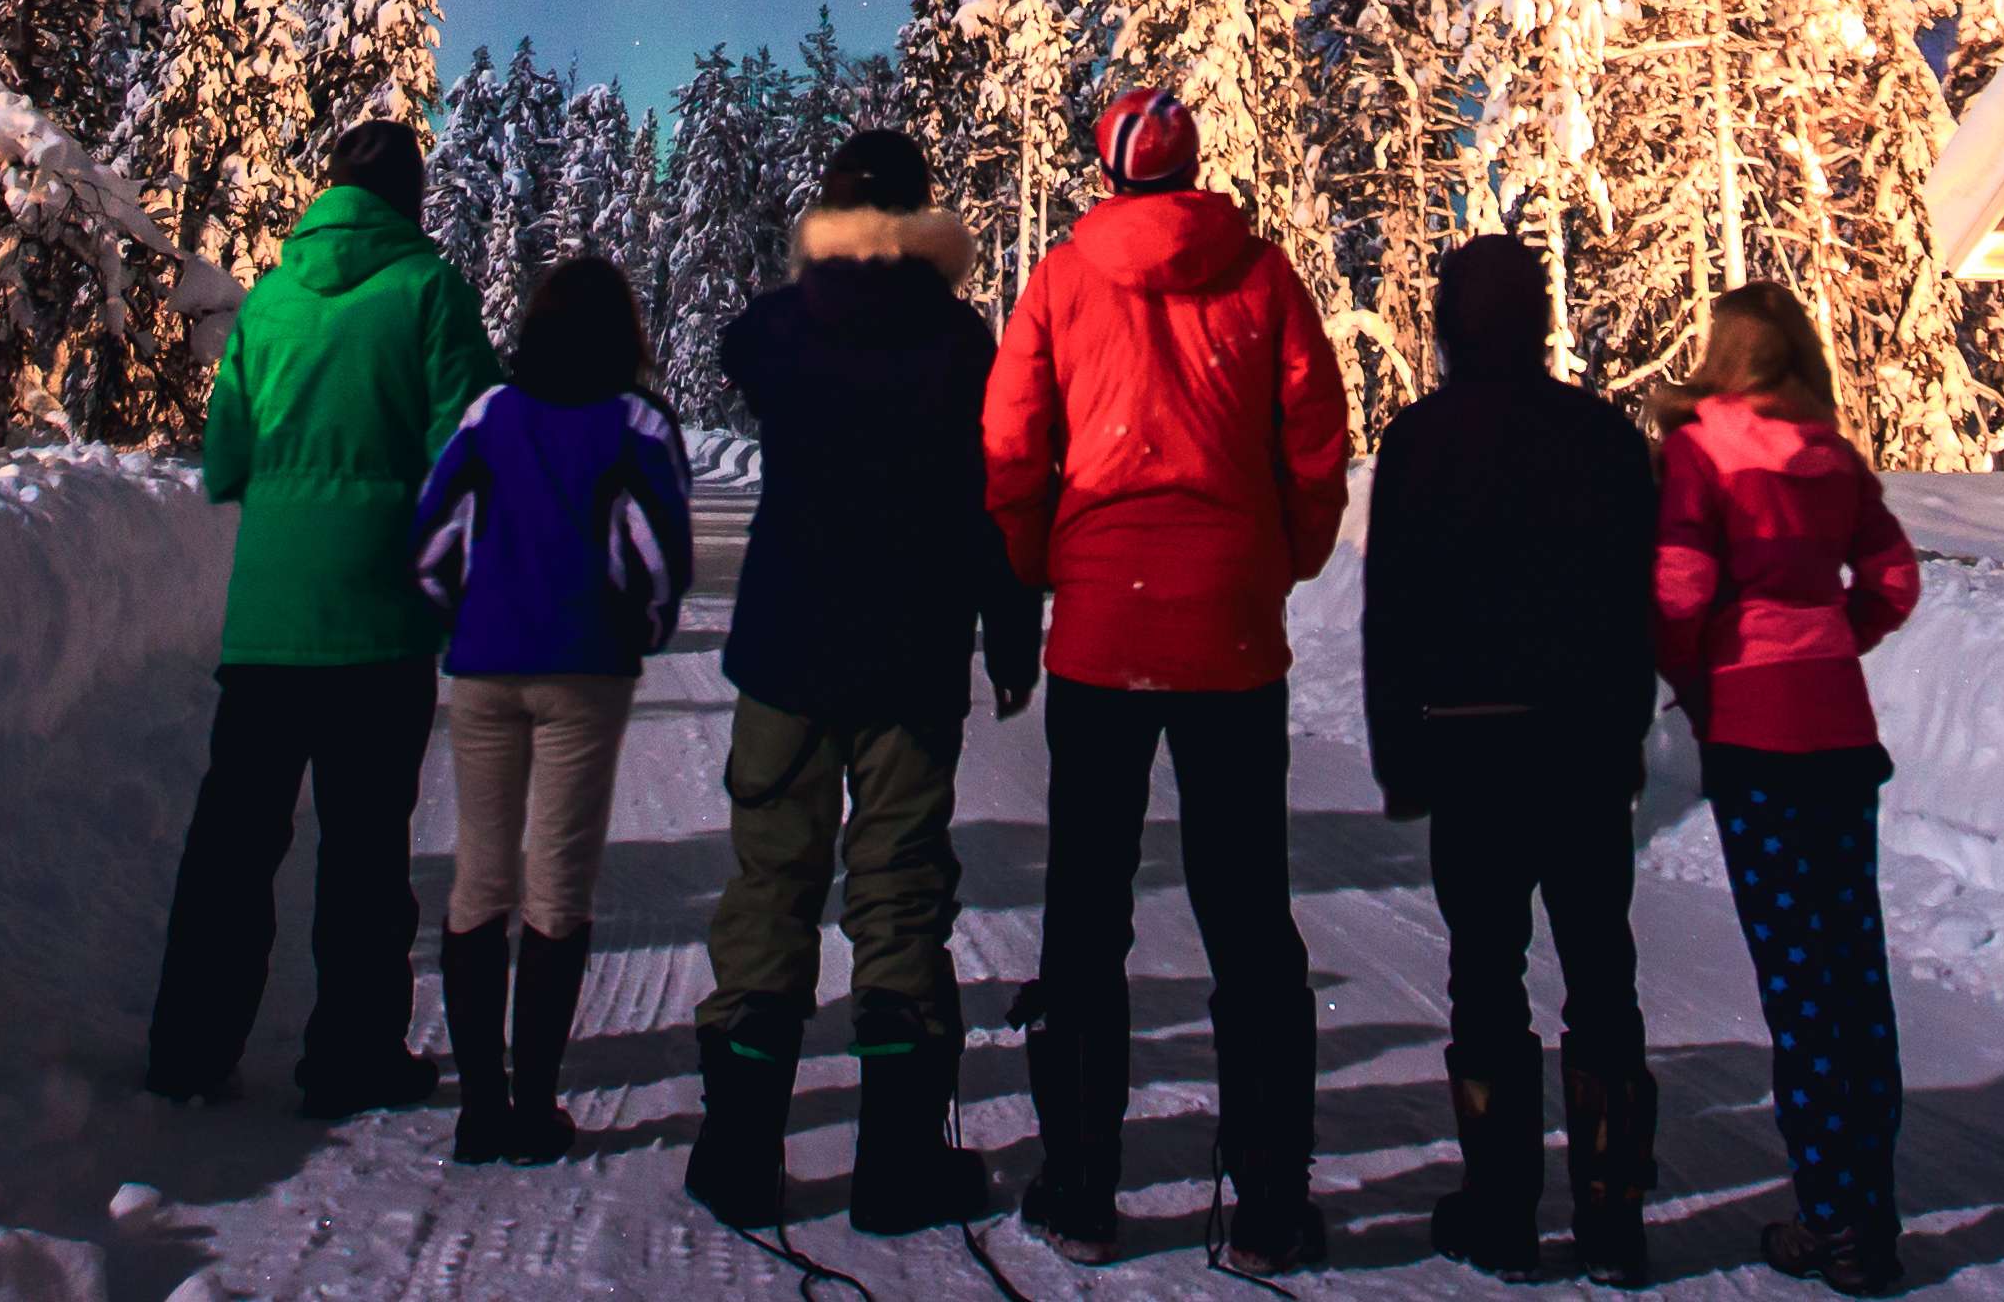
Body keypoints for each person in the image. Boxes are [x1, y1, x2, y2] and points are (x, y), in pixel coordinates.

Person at [983, 86, 1350, 1273]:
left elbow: (1011, 444)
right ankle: (1271, 1207)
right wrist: (1277, 559)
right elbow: (1314, 440)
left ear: (1109, 169)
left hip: (1102, 629)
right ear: (1192, 168)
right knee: (1248, 912)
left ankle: (1082, 1187)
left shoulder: (1061, 278)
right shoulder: (1263, 278)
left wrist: (1046, 566)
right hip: (1230, 631)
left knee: (1087, 906)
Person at [685, 128, 1042, 1238]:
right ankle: (896, 1168)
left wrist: (818, 271)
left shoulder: (788, 324)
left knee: (769, 887)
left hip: (787, 649)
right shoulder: (959, 339)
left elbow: (738, 345)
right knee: (897, 896)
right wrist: (1009, 634)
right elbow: (994, 498)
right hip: (910, 653)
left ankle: (740, 1156)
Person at [147, 118, 502, 1115]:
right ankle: (350, 1056)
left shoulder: (268, 300)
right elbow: (469, 443)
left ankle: (188, 1048)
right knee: (362, 848)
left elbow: (226, 457)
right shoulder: (428, 291)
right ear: (412, 198)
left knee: (234, 837)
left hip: (266, 619)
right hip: (379, 618)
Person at [1363, 233, 1662, 1284]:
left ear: (1448, 322)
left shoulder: (1420, 441)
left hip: (1470, 744)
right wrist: (1629, 728)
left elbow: (1389, 613)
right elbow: (1640, 602)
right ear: (1537, 319)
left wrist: (1399, 749)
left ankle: (1499, 1212)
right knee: (1601, 972)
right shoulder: (1604, 437)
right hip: (1580, 743)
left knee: (1484, 974)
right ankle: (1613, 1217)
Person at [1653, 282, 1924, 1298]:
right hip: (1840, 735)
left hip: (1754, 737)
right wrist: (1829, 640)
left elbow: (1677, 588)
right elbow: (1893, 578)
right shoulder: (1832, 455)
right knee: (1855, 971)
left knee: (1795, 980)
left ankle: (1830, 1219)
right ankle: (1870, 1210)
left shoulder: (1696, 451)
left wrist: (1700, 674)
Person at [412, 253, 696, 1163]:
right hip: (585, 672)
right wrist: (640, 631)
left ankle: (479, 1110)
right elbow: (658, 553)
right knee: (557, 886)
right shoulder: (640, 423)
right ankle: (533, 1107)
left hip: (487, 667)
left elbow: (433, 536)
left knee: (478, 880)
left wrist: (462, 618)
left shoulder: (490, 414)